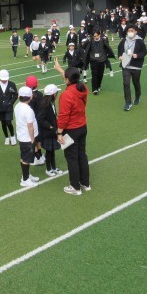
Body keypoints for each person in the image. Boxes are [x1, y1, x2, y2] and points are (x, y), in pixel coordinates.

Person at [56, 67, 91, 196]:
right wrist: (60, 70)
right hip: (82, 127)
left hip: (71, 130)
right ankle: (85, 183)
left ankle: (75, 187)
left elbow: (63, 116)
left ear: (67, 80)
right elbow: (70, 78)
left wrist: (59, 133)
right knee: (82, 155)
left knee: (72, 158)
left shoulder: (66, 95)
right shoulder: (82, 88)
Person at [13, 86, 41, 188]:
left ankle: (26, 176)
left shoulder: (17, 106)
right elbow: (30, 126)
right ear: (31, 97)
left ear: (19, 96)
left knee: (24, 157)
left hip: (22, 136)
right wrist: (32, 139)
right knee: (26, 159)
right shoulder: (28, 110)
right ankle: (25, 180)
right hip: (27, 138)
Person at [118, 24, 147, 111]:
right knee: (126, 83)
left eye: (132, 31)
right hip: (125, 65)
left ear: (135, 32)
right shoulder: (124, 40)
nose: (130, 32)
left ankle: (137, 96)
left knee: (136, 82)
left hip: (136, 66)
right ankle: (128, 102)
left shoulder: (139, 41)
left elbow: (144, 52)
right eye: (129, 31)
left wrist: (137, 55)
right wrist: (120, 56)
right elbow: (119, 49)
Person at [37, 84, 63, 176]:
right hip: (47, 132)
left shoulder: (51, 102)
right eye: (56, 93)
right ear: (53, 94)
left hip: (52, 131)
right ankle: (48, 169)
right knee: (49, 151)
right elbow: (40, 119)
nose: (57, 95)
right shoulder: (44, 104)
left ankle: (54, 168)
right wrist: (50, 127)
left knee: (52, 151)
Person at [83, 28, 116, 95]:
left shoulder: (104, 40)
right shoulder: (90, 40)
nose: (96, 37)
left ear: (99, 35)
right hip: (93, 60)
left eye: (97, 35)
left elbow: (107, 47)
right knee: (94, 74)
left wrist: (107, 55)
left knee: (100, 74)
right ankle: (94, 89)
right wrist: (87, 40)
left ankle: (98, 86)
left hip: (102, 60)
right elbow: (83, 46)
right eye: (94, 36)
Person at [0, 70, 18, 145]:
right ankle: (6, 137)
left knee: (8, 122)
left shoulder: (12, 84)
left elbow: (15, 95)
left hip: (9, 107)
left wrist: (10, 102)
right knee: (3, 123)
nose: (4, 80)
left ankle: (12, 136)